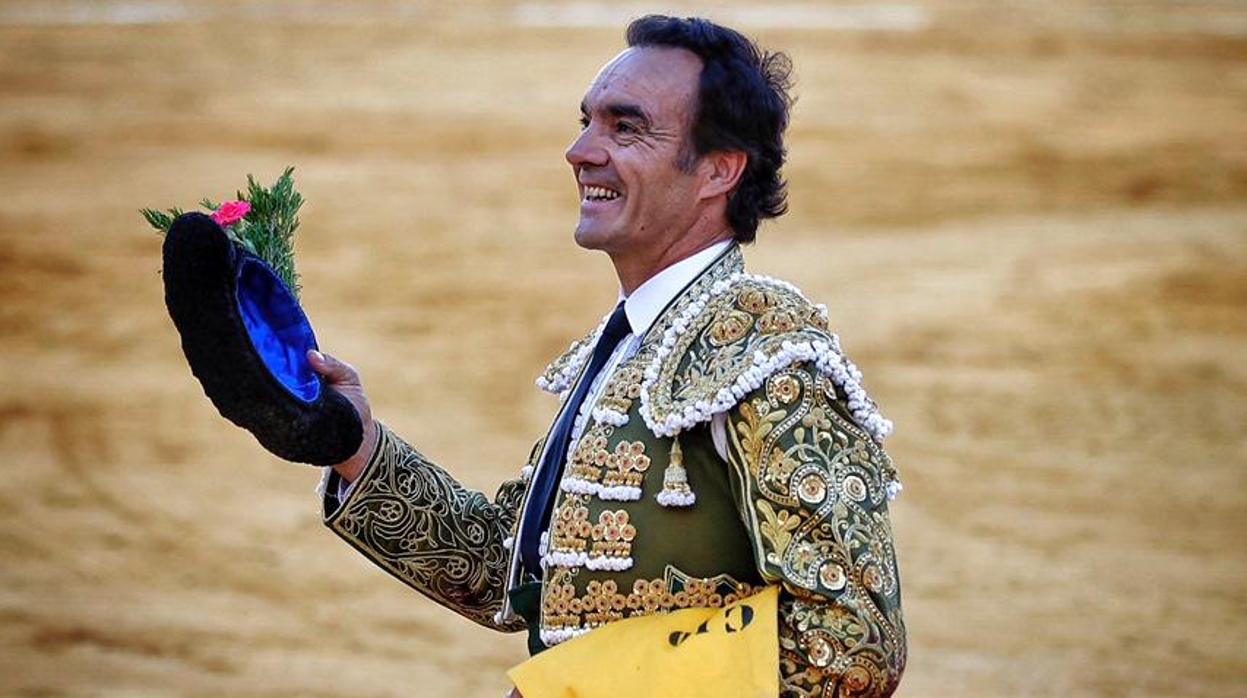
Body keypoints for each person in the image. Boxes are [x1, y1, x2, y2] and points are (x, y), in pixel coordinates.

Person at [308, 15, 906, 697]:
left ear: (718, 169)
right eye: (587, 121)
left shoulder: (761, 347)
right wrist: (354, 446)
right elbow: (508, 573)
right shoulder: (630, 345)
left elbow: (851, 647)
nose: (580, 150)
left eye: (625, 128)